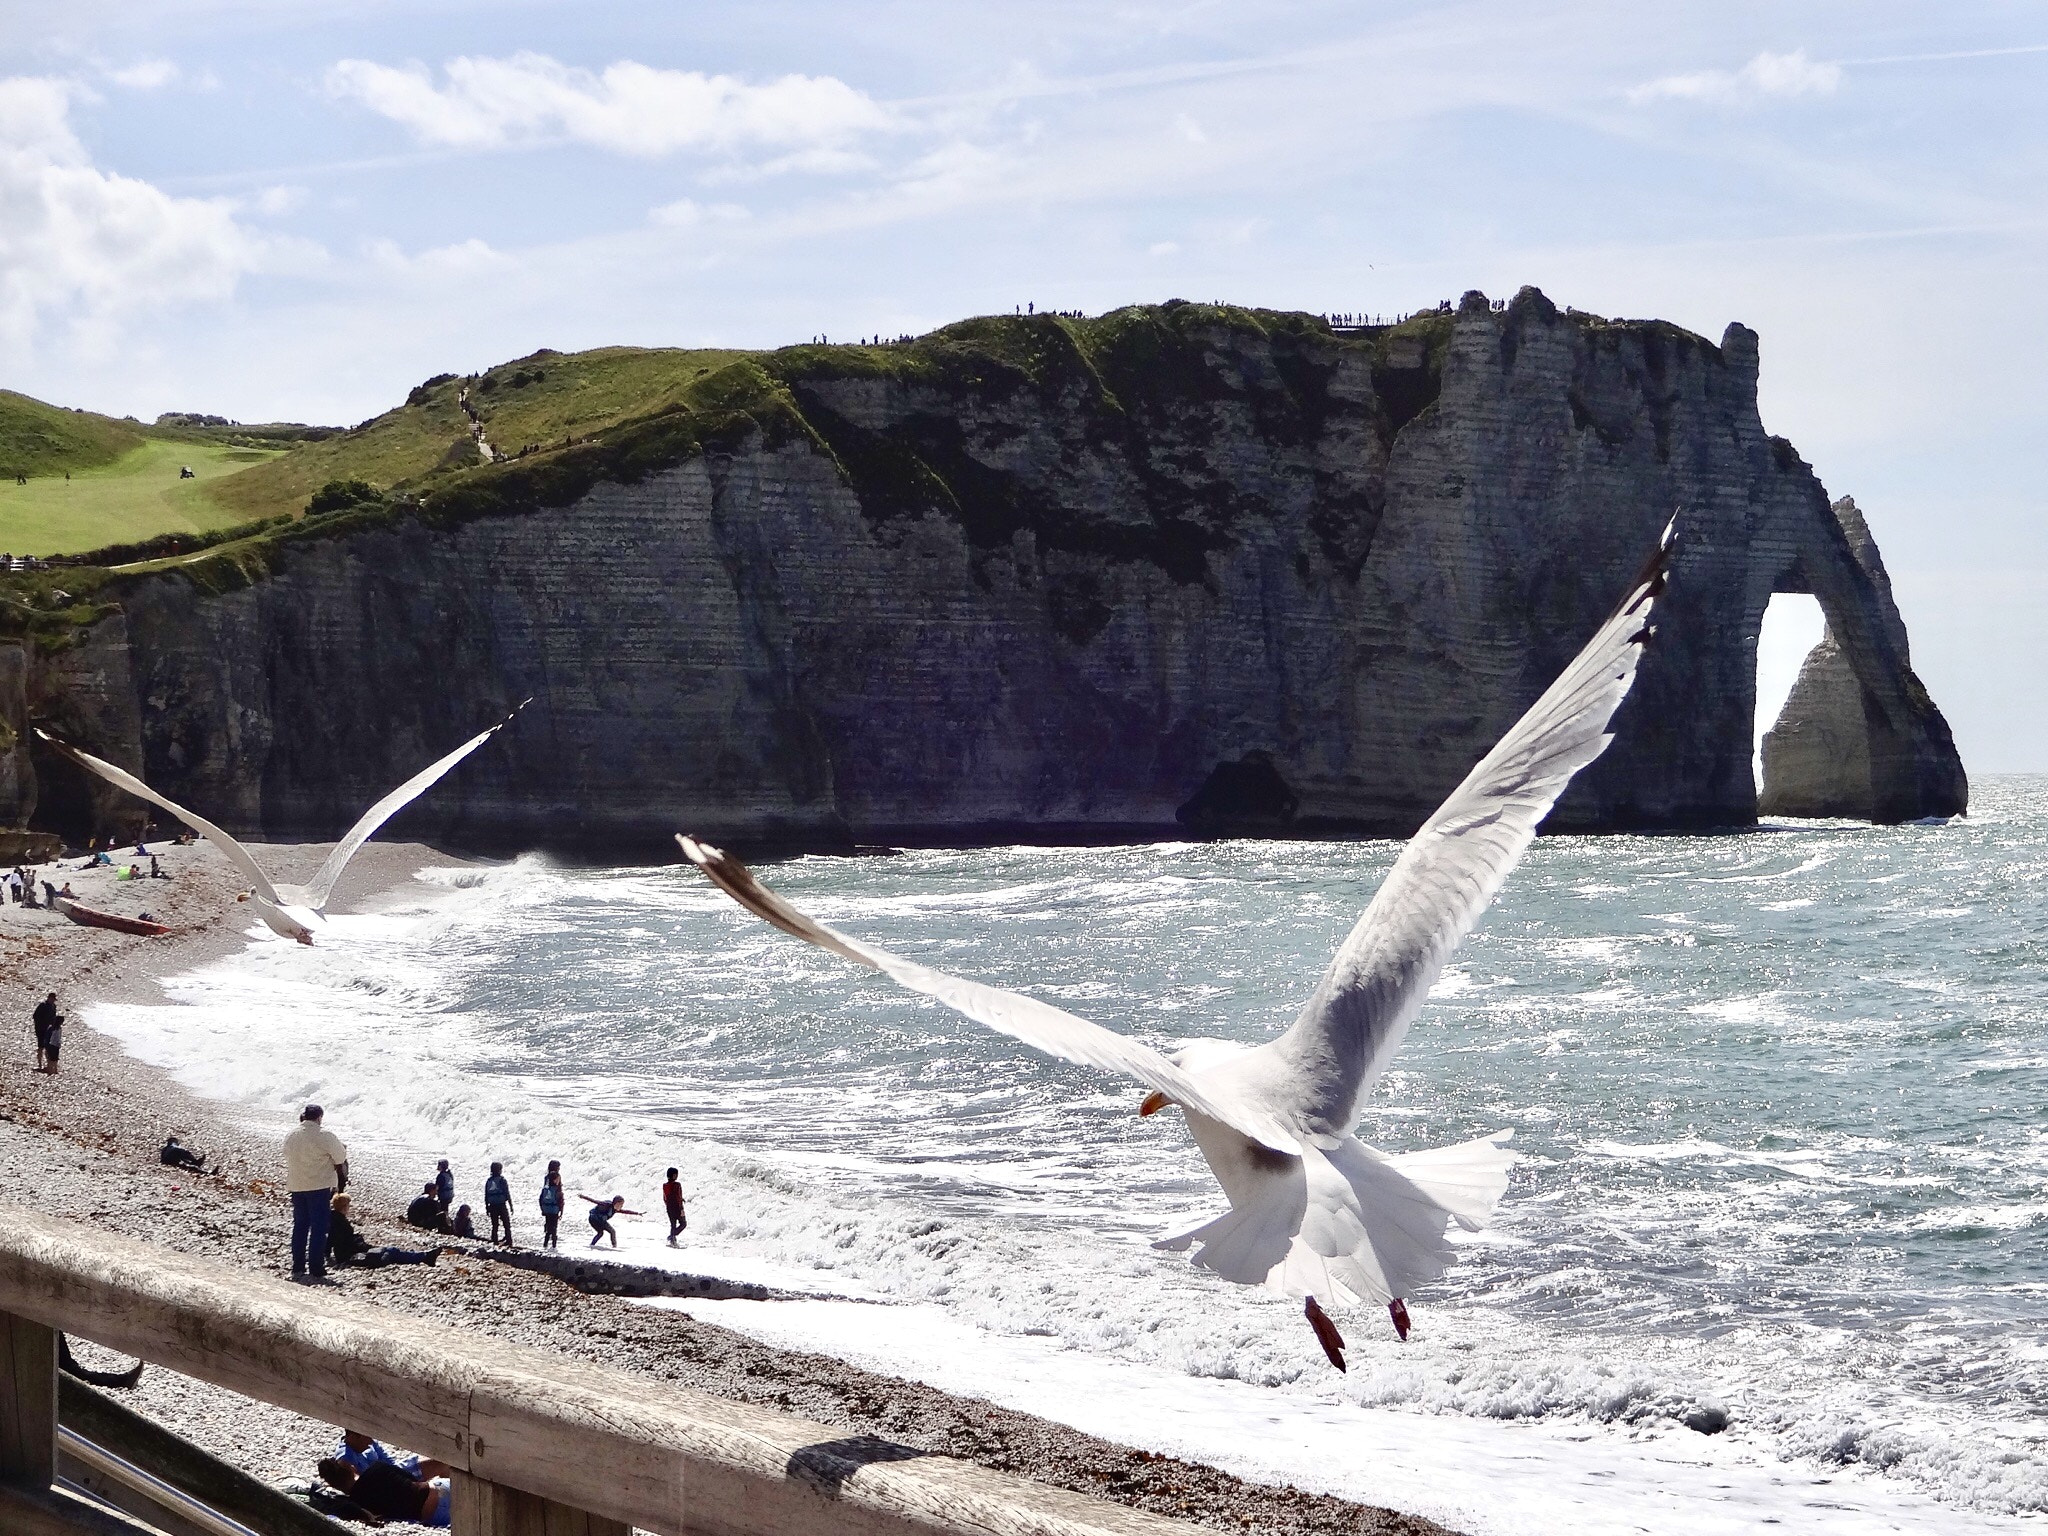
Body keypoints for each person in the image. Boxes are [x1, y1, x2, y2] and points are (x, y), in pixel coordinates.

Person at [283, 1105, 348, 1282]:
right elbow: (340, 1157)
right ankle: (316, 1267)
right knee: (319, 1228)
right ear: (319, 1117)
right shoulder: (324, 1135)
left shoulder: (292, 1135)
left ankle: (297, 1266)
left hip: (297, 1185)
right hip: (318, 1186)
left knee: (300, 1226)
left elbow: (286, 1154)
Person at [316, 1457, 451, 1527]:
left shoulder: (357, 1504)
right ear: (353, 1468)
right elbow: (410, 1479)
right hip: (438, 1491)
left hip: (434, 1515)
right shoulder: (377, 1468)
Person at [328, 1194, 439, 1269]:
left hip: (348, 1254)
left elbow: (331, 1241)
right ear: (344, 1207)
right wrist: (365, 1245)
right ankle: (424, 1257)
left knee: (391, 1251)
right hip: (353, 1255)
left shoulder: (334, 1220)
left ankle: (422, 1256)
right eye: (348, 1205)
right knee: (391, 1251)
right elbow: (349, 1243)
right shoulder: (341, 1223)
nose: (349, 1207)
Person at [484, 1162, 512, 1245]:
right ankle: (509, 1241)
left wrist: (487, 1207)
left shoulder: (489, 1181)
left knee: (495, 1225)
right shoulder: (502, 1180)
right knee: (506, 1224)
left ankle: (494, 1241)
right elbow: (507, 1193)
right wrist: (511, 1205)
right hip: (501, 1205)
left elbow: (486, 1195)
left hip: (492, 1205)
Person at [538, 1161, 564, 1248]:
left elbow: (542, 1197)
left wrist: (542, 1208)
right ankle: (554, 1246)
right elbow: (560, 1199)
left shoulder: (547, 1177)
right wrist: (561, 1211)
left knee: (548, 1224)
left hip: (547, 1207)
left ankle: (545, 1243)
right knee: (554, 1227)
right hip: (554, 1208)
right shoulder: (557, 1177)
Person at [32, 992, 59, 1074]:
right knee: (41, 1046)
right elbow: (35, 1016)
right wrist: (41, 1024)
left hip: (49, 1030)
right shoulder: (42, 1006)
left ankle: (48, 1065)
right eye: (52, 999)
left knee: (48, 1047)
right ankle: (39, 1064)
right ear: (49, 998)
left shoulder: (53, 1006)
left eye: (54, 999)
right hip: (40, 1029)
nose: (53, 1001)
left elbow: (53, 1018)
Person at [662, 1167, 686, 1245]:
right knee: (683, 1223)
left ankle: (672, 1238)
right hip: (677, 1207)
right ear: (674, 1175)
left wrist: (667, 1205)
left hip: (669, 1207)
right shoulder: (677, 1185)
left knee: (673, 1224)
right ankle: (672, 1236)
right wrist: (681, 1208)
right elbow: (678, 1197)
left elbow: (665, 1198)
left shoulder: (665, 1185)